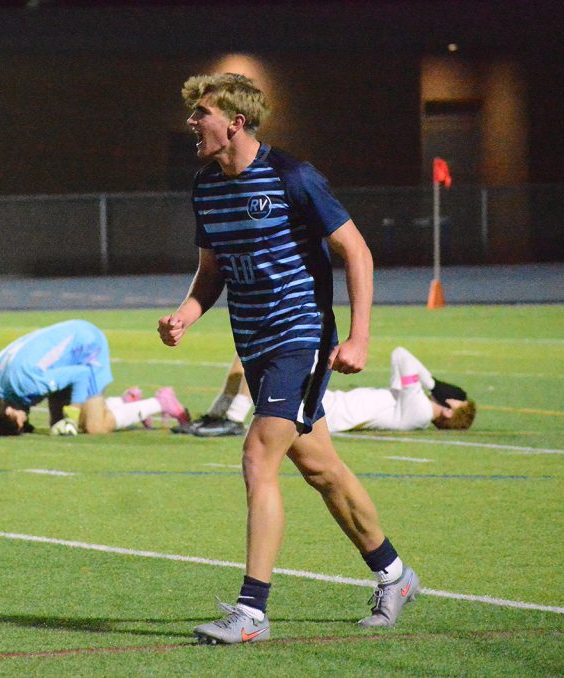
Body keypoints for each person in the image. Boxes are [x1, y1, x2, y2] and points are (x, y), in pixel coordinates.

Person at [158, 73, 419, 644]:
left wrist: (359, 337)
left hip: (299, 337)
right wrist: (185, 314)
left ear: (236, 122)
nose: (192, 124)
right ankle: (395, 575)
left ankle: (252, 613)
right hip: (253, 344)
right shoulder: (206, 186)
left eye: (201, 114)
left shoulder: (292, 177)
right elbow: (212, 273)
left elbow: (357, 251)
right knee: (321, 467)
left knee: (257, 455)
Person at [178, 348, 476, 436]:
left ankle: (232, 418)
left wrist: (434, 385)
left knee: (270, 354)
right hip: (327, 402)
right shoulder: (412, 405)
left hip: (326, 410)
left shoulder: (420, 410)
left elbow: (403, 355)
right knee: (249, 352)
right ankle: (218, 414)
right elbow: (400, 363)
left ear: (450, 410)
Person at [0, 319, 190, 436]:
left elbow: (80, 374)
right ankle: (124, 403)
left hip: (85, 348)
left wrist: (72, 417)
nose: (23, 424)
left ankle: (161, 402)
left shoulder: (27, 383)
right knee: (58, 427)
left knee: (94, 427)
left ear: (10, 411)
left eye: (18, 424)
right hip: (66, 350)